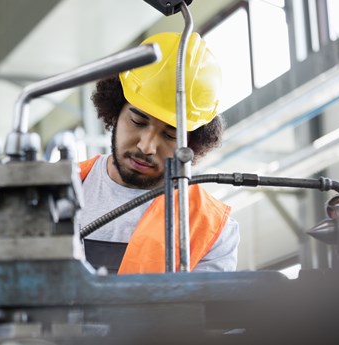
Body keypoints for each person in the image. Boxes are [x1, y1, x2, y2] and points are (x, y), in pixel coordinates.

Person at [77, 32, 239, 274]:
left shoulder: (212, 228)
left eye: (170, 135)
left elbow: (208, 311)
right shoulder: (53, 190)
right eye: (138, 120)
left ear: (192, 141)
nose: (147, 146)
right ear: (115, 109)